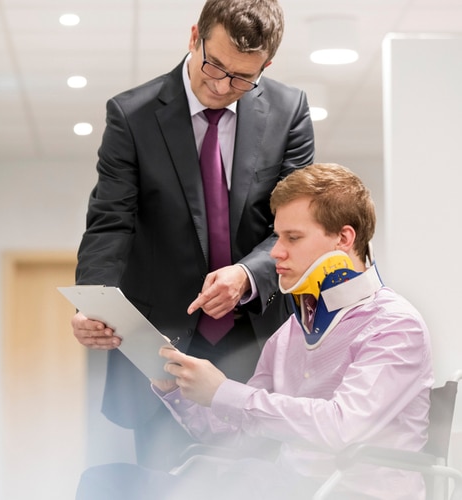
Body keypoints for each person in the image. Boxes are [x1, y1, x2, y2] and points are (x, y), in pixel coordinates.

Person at [76, 163, 434, 500]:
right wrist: (178, 389)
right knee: (105, 481)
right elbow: (238, 434)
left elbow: (340, 429)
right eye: (277, 237)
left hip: (352, 492)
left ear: (344, 238)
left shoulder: (394, 325)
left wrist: (225, 391)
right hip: (288, 487)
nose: (276, 252)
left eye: (292, 237)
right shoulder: (292, 331)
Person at [72, 0, 315, 470]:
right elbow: (111, 222)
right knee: (168, 485)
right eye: (214, 65)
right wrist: (93, 303)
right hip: (161, 351)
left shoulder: (289, 111)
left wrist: (248, 274)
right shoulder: (133, 115)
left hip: (256, 343)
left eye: (243, 77)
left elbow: (296, 227)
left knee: (259, 483)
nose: (223, 86)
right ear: (194, 37)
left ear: (266, 66)